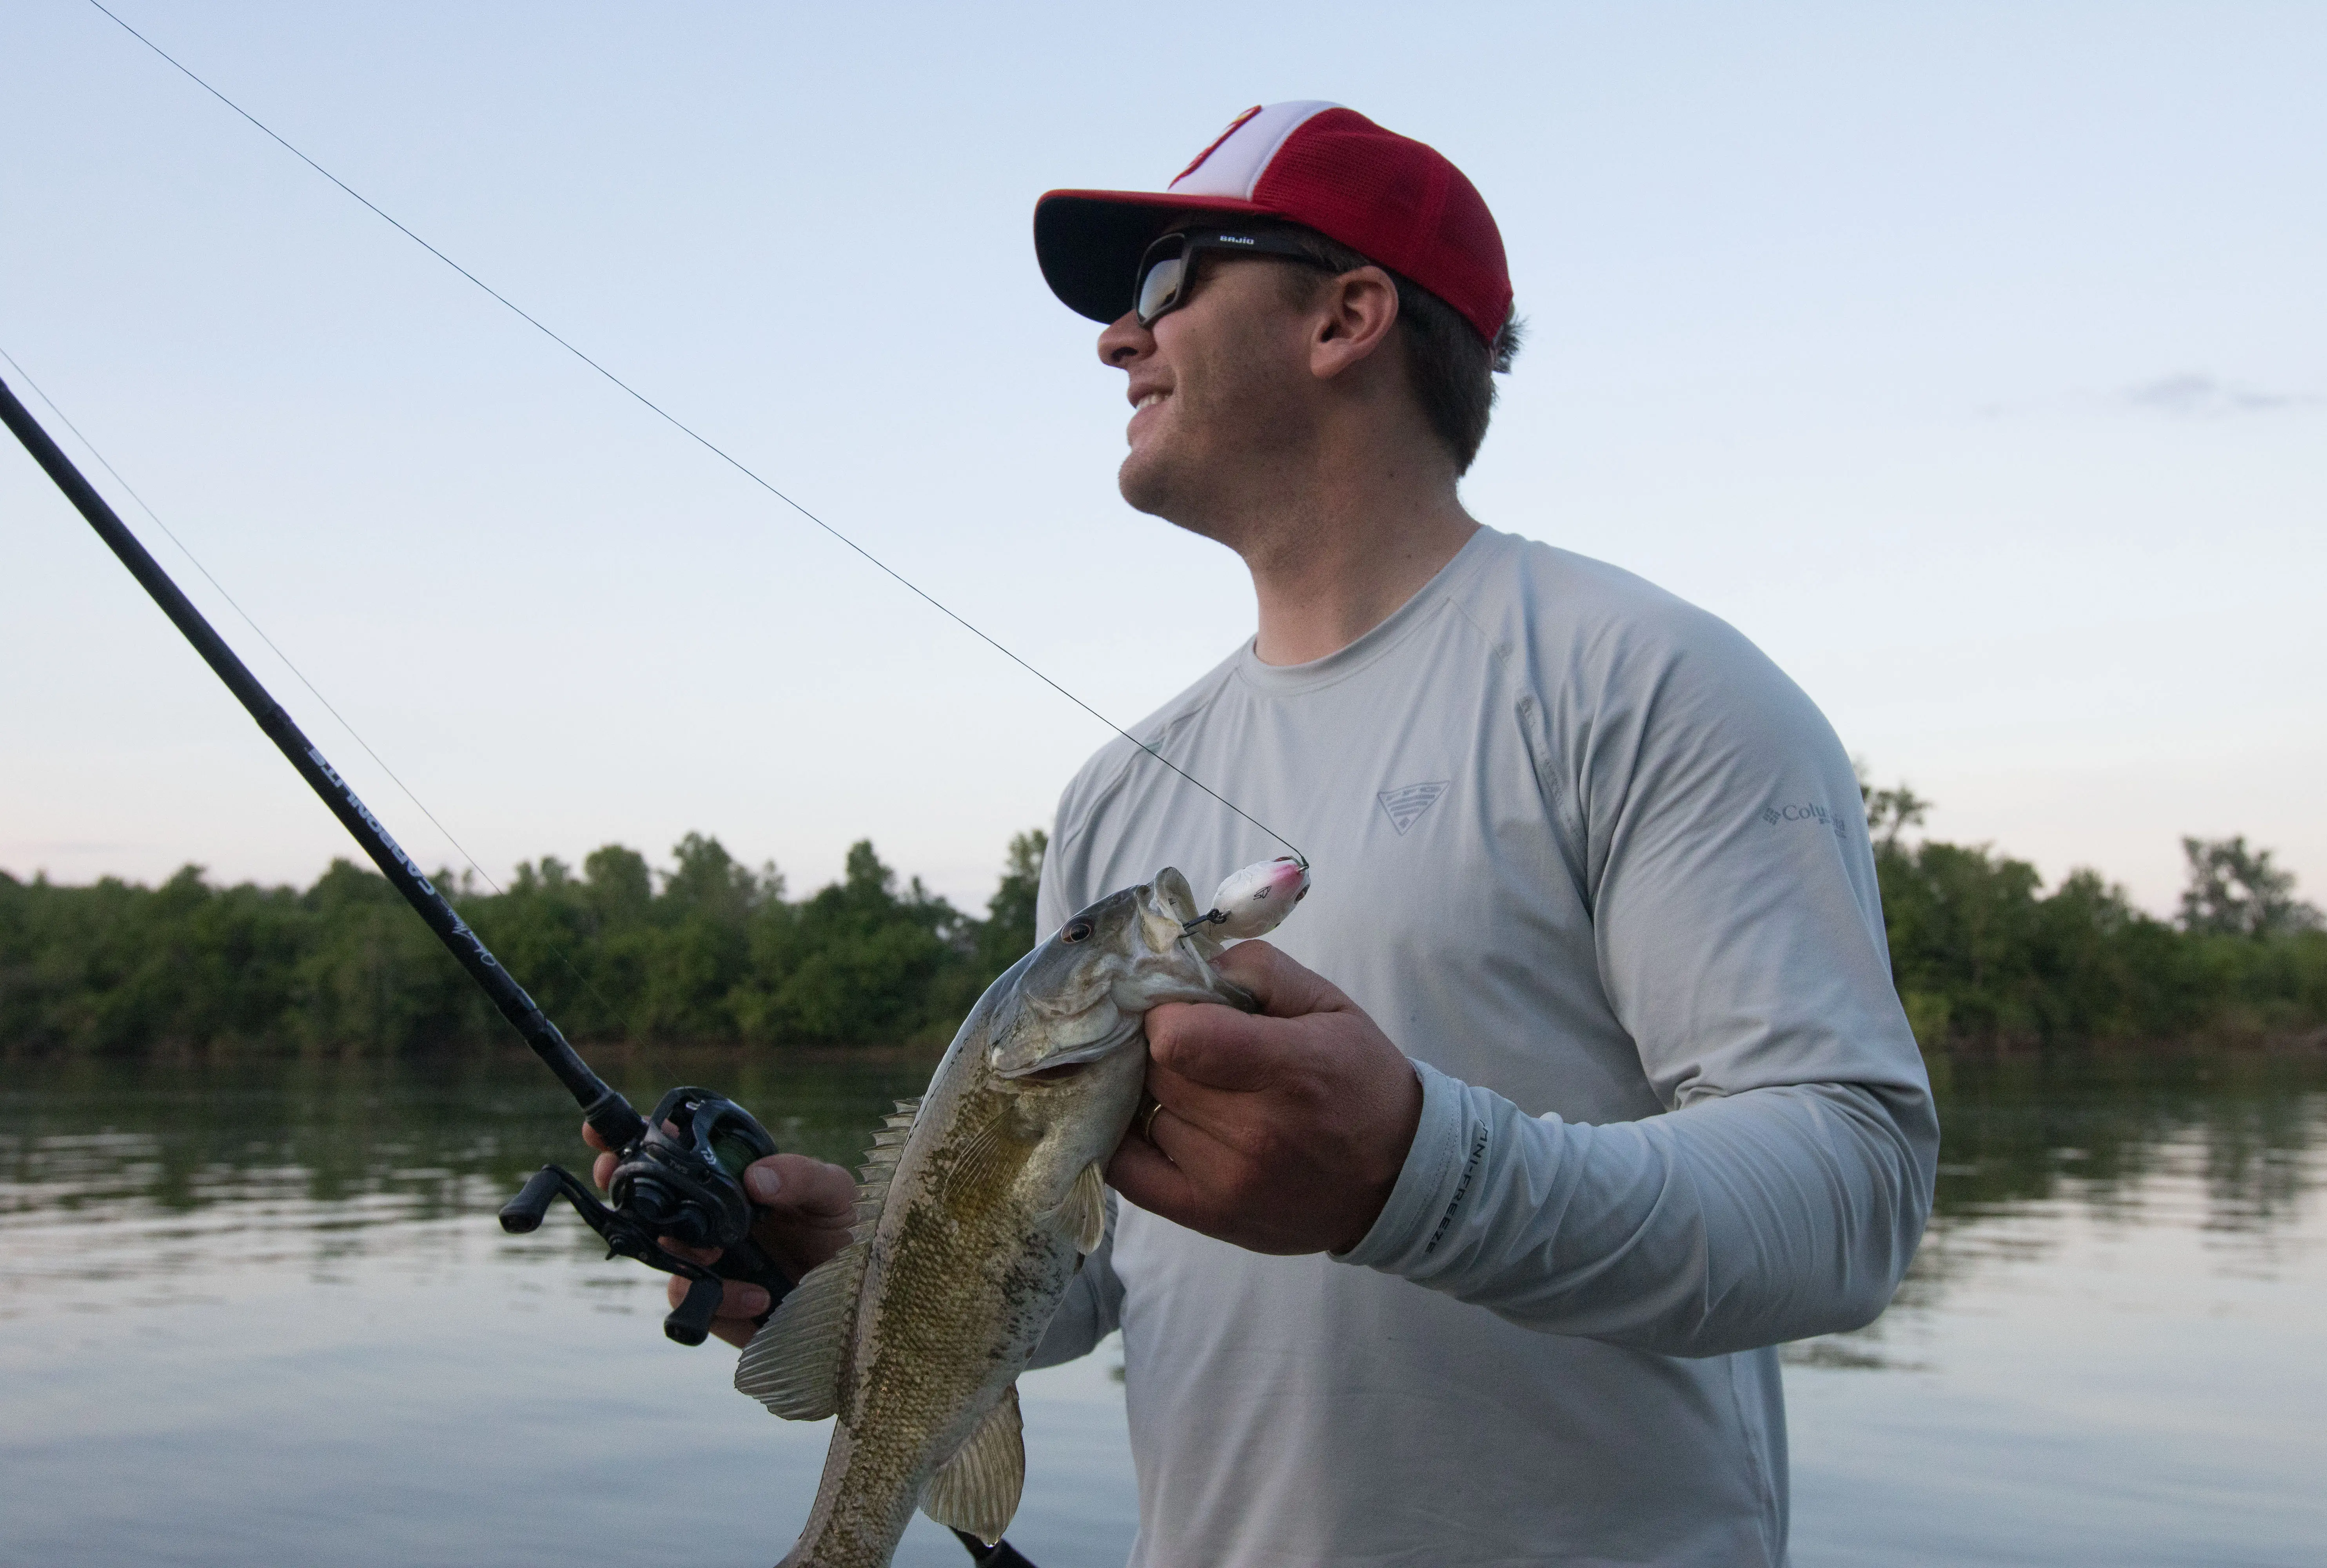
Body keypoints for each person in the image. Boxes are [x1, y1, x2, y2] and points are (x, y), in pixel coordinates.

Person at [601, 101, 1937, 1567]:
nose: (1120, 338)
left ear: (1347, 316)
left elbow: (1850, 1189)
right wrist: (879, 1269)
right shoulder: (1116, 797)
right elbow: (1119, 1282)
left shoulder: (1642, 681)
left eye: (1170, 279)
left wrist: (1418, 1175)